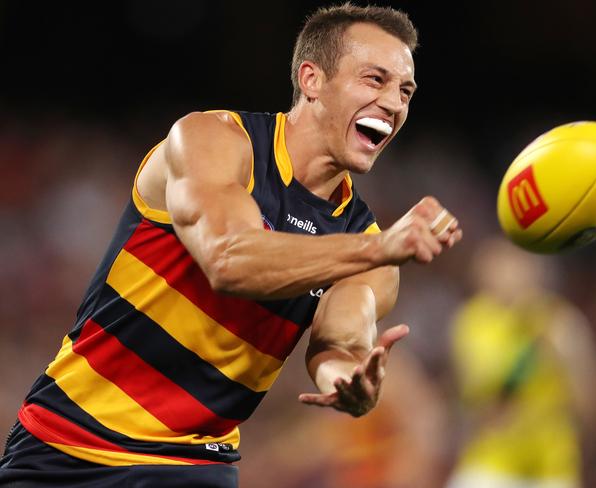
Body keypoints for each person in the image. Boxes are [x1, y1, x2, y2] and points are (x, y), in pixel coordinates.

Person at [0, 3, 462, 487]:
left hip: (193, 465)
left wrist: (348, 383)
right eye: (375, 80)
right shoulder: (214, 142)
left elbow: (339, 342)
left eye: (405, 91)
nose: (393, 103)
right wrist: (379, 248)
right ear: (311, 80)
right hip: (63, 441)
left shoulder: (369, 248)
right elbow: (228, 260)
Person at [443, 237, 596, 488]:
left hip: (552, 467)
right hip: (491, 464)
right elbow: (488, 392)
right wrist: (535, 341)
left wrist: (571, 356)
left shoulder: (562, 319)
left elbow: (593, 402)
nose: (512, 275)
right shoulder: (474, 321)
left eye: (518, 265)